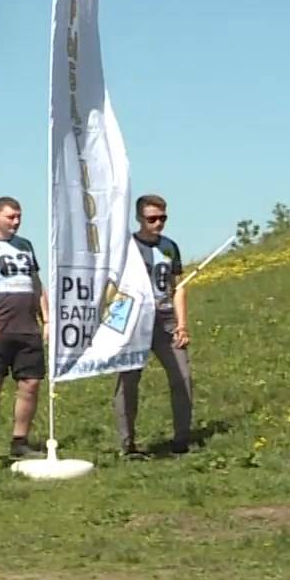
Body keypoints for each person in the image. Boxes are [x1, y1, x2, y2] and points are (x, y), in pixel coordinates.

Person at [117, 194, 194, 456]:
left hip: (165, 319)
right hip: (135, 321)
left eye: (163, 218)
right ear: (139, 218)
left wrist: (182, 324)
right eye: (152, 219)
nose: (158, 223)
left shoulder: (170, 247)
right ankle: (127, 444)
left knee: (183, 377)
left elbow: (178, 287)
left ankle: (182, 439)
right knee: (128, 381)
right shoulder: (126, 246)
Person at [0, 197, 47, 465]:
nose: (16, 222)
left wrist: (46, 318)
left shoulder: (25, 245)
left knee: (30, 383)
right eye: (10, 217)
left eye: (19, 217)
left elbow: (36, 282)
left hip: (27, 325)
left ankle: (20, 441)